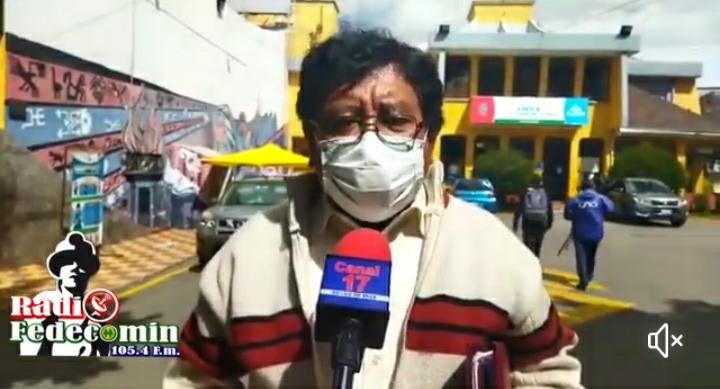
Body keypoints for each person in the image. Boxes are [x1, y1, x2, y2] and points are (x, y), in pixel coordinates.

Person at [164, 29, 581, 388]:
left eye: (393, 119)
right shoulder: (245, 258)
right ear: (312, 140)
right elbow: (195, 378)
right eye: (344, 121)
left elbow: (549, 369)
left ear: (429, 136)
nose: (369, 140)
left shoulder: (495, 253)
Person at [564, 178, 614, 291]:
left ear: (582, 188)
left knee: (581, 256)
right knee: (591, 255)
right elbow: (611, 208)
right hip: (596, 232)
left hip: (580, 232)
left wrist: (575, 217)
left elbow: (567, 215)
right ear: (593, 187)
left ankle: (583, 280)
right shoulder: (601, 198)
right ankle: (589, 276)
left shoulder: (576, 200)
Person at [513, 175, 553, 257]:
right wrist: (549, 224)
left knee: (527, 245)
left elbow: (519, 209)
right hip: (541, 222)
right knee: (538, 245)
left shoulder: (526, 193)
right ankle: (537, 258)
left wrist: (515, 224)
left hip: (528, 221)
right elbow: (549, 211)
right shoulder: (545, 193)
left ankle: (528, 260)